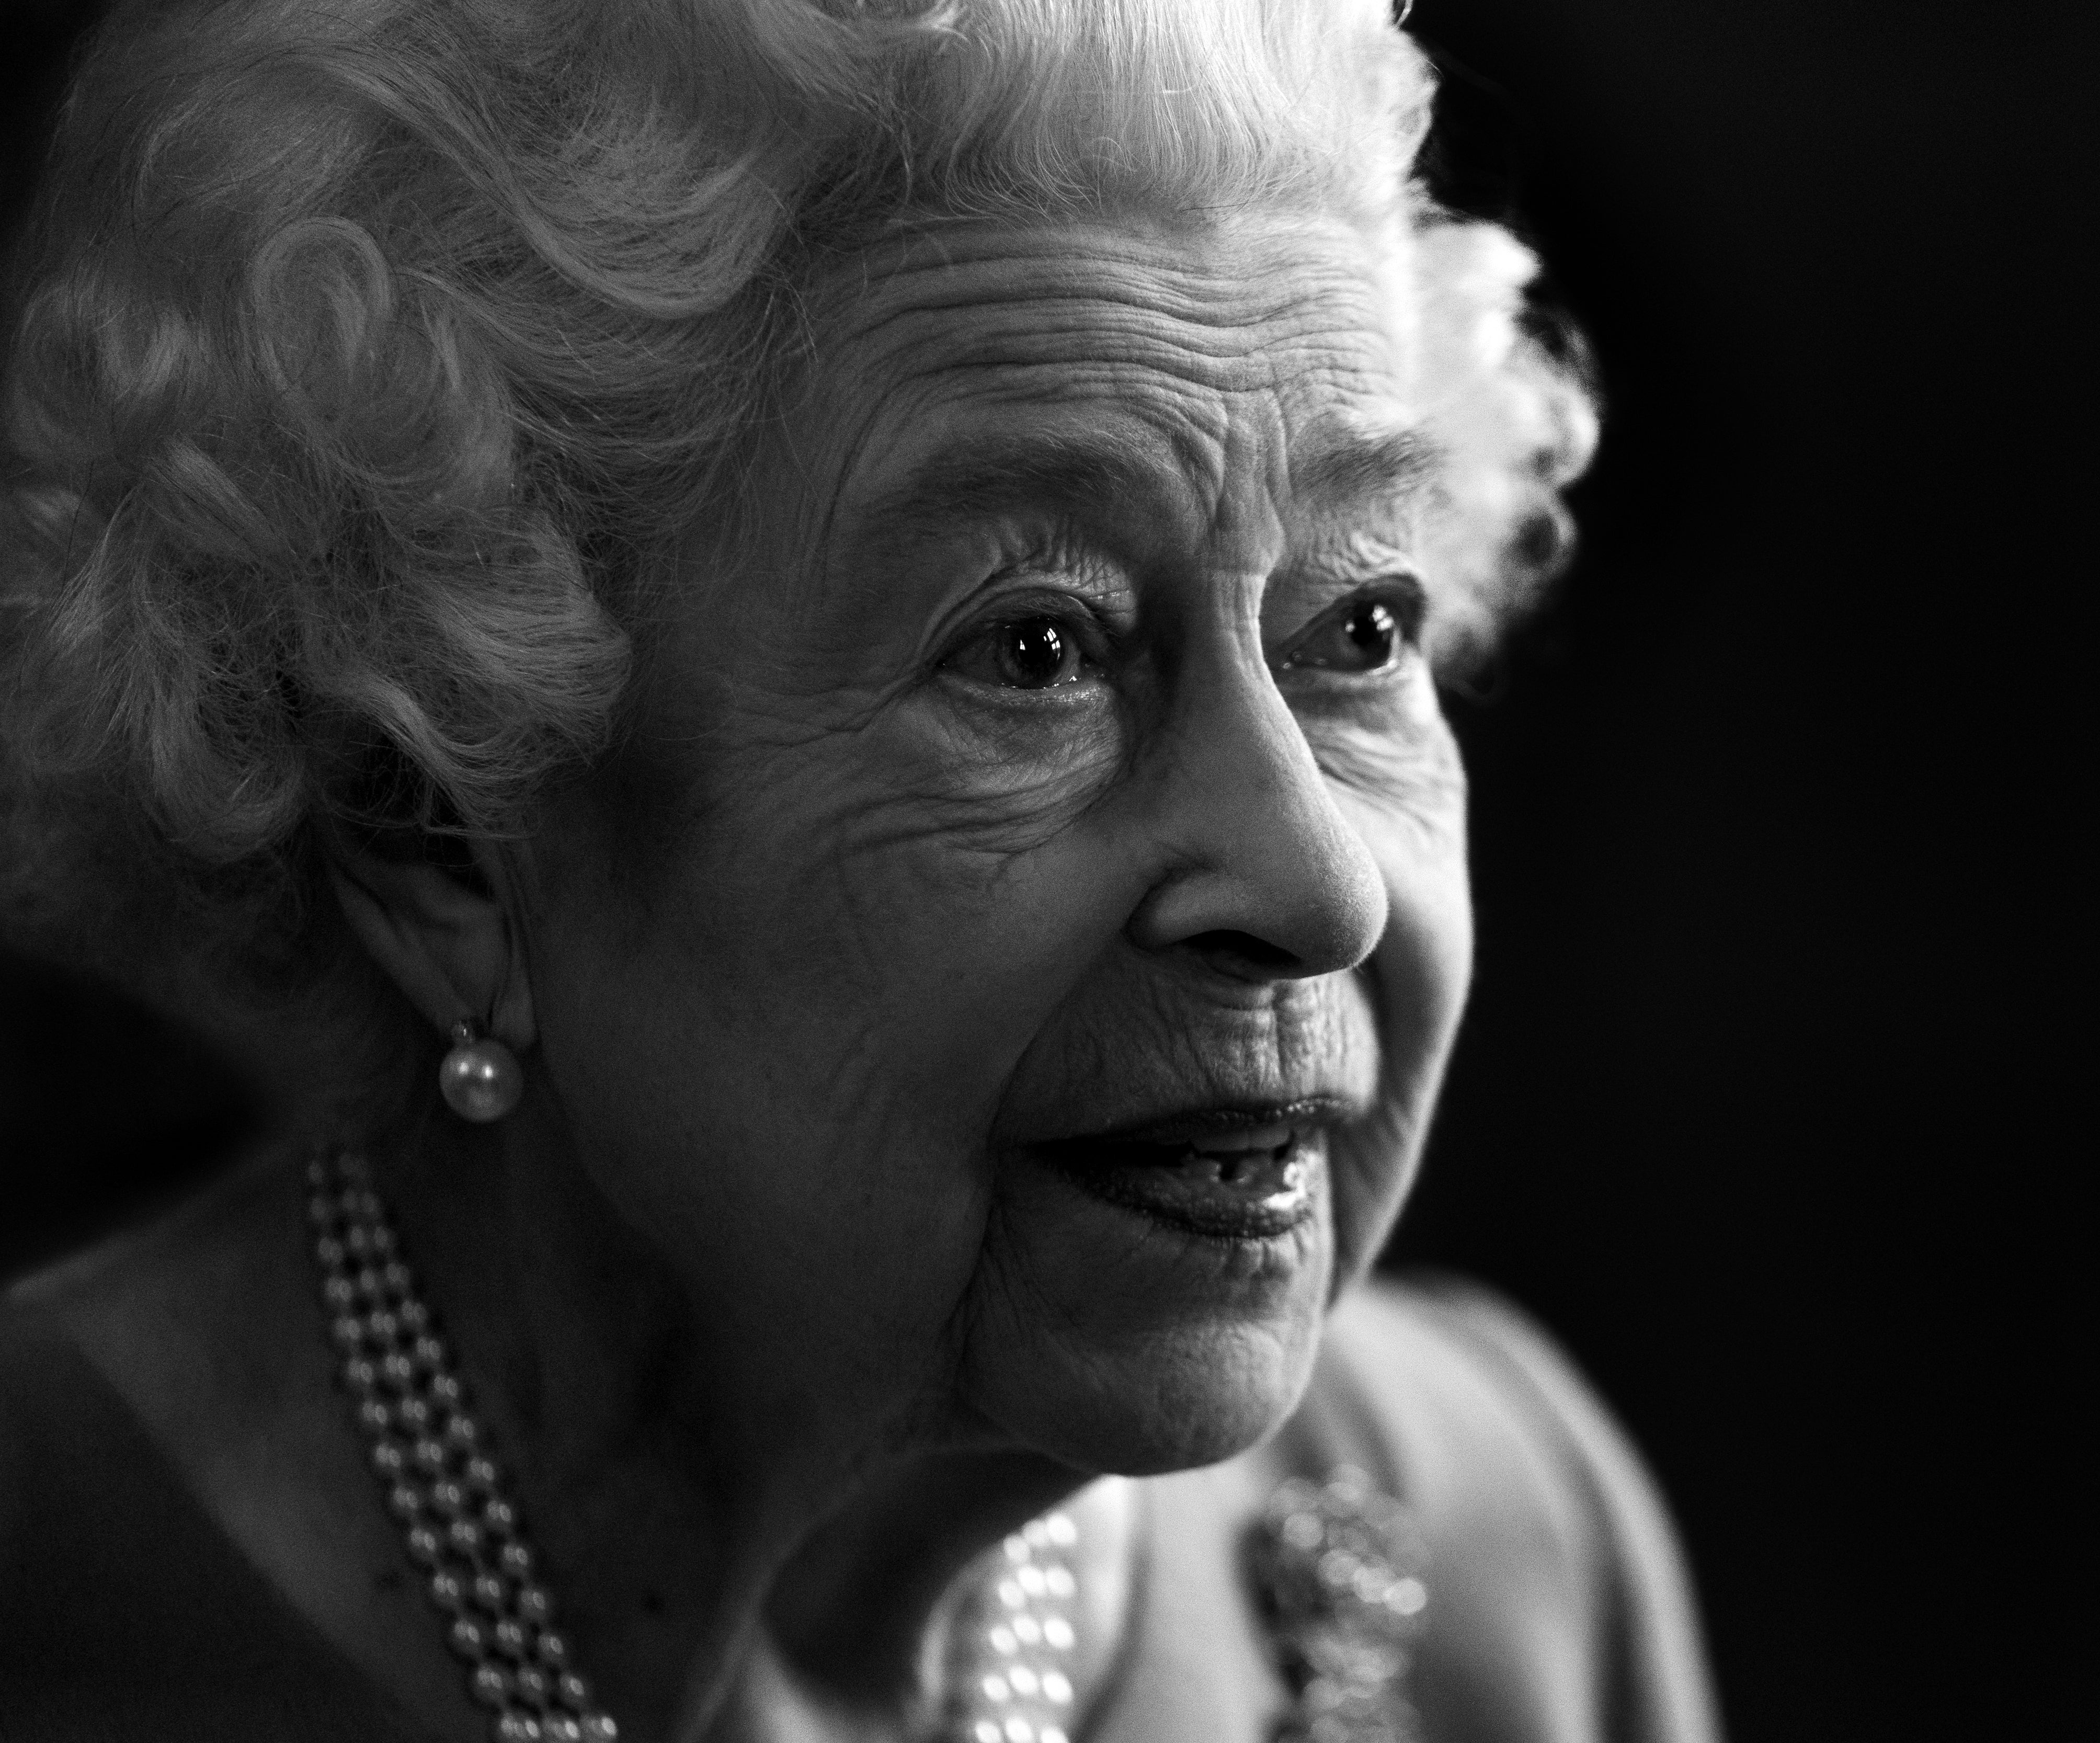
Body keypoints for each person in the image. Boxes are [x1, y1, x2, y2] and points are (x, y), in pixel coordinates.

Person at [0, 1, 1716, 1738]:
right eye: (1036, 651)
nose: (1318, 887)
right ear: (438, 834)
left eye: (1358, 628)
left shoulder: (1499, 1539)